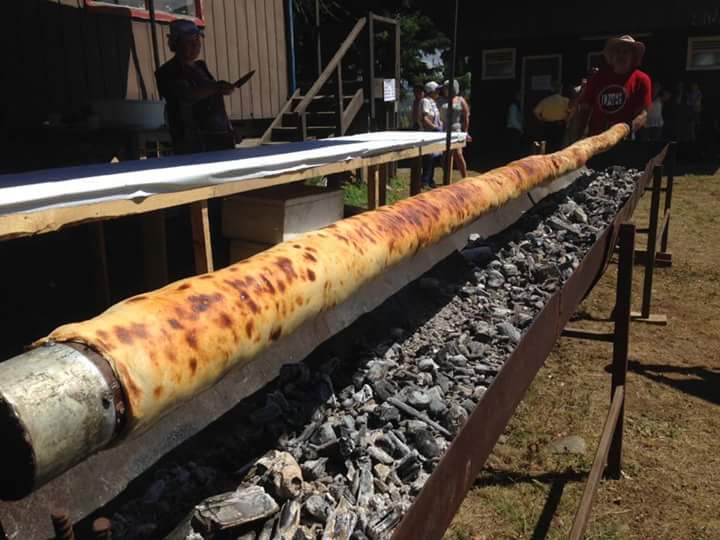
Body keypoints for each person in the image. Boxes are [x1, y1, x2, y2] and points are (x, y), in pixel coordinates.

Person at [156, 20, 240, 154]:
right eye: (189, 41)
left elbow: (213, 101)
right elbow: (186, 95)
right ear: (176, 43)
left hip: (220, 138)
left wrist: (229, 128)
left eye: (197, 40)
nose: (195, 45)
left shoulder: (201, 67)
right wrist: (217, 87)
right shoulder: (168, 71)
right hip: (193, 142)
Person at [570, 35, 652, 142]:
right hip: (596, 140)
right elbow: (585, 109)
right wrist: (577, 139)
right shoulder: (597, 78)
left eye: (626, 52)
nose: (621, 55)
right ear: (612, 55)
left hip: (624, 141)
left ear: (633, 56)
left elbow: (643, 114)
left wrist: (625, 130)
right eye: (618, 51)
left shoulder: (641, 79)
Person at [438, 79, 471, 178]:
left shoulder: (460, 100)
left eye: (446, 88)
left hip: (456, 130)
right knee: (445, 156)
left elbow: (466, 116)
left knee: (458, 154)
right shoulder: (440, 100)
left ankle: (465, 177)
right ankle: (446, 177)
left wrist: (466, 132)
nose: (444, 90)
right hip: (444, 130)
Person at [418, 81, 443, 187]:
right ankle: (425, 180)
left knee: (434, 156)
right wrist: (435, 128)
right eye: (437, 90)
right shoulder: (425, 101)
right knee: (428, 157)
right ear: (431, 91)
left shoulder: (433, 102)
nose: (439, 92)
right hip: (428, 133)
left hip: (434, 132)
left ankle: (430, 179)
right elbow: (425, 118)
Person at [533, 81, 570, 151]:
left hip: (547, 125)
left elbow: (535, 111)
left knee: (548, 145)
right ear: (561, 89)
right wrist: (567, 119)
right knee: (559, 145)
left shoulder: (545, 101)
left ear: (552, 90)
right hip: (560, 125)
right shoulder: (566, 101)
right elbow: (571, 111)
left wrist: (541, 119)